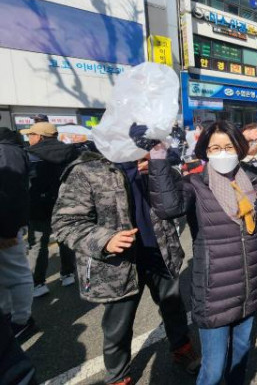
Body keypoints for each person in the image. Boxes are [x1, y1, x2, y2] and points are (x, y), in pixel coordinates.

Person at [52, 124, 200, 385]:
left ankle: (182, 351)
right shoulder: (86, 170)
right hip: (116, 264)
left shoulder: (151, 164)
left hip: (160, 251)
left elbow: (177, 200)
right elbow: (66, 222)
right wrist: (105, 240)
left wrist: (160, 169)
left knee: (173, 307)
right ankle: (118, 377)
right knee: (118, 326)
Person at [147, 121, 257, 385]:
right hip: (214, 292)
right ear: (205, 151)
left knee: (240, 357)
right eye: (215, 147)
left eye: (228, 146)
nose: (222, 152)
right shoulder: (195, 183)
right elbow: (168, 208)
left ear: (239, 149)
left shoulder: (251, 181)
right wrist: (158, 158)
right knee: (213, 370)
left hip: (250, 286)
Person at [20, 122, 78, 297]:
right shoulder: (70, 152)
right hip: (66, 203)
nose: (28, 138)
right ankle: (68, 273)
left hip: (38, 206)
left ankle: (38, 283)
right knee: (65, 240)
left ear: (39, 136)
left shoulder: (28, 155)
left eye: (31, 135)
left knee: (38, 244)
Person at [0, 128, 34, 338]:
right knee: (5, 275)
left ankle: (21, 319)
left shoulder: (6, 151)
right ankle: (8, 314)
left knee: (16, 273)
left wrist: (8, 230)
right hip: (6, 224)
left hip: (6, 226)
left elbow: (12, 193)